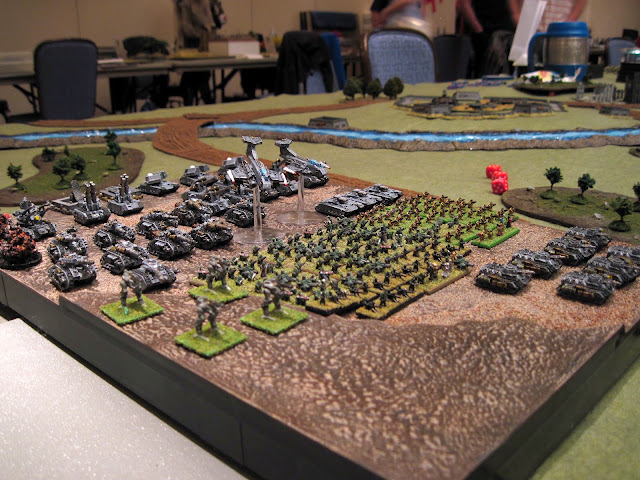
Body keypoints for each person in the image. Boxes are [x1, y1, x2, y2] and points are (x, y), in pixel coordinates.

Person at [457, 0, 521, 76]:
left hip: (507, 36)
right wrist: (479, 31)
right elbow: (463, 5)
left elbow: (515, 12)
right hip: (485, 36)